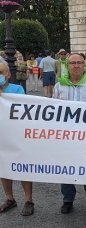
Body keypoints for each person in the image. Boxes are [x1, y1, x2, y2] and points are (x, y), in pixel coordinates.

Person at [53, 53, 86, 214]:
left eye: (79, 63)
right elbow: (53, 111)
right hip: (65, 137)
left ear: (84, 65)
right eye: (72, 63)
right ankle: (67, 200)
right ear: (67, 66)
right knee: (66, 168)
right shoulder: (59, 86)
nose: (76, 66)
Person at [0, 63, 34, 216]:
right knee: (3, 167)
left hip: (16, 134)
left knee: (22, 166)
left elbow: (23, 109)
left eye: (0, 72)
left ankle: (28, 200)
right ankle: (9, 199)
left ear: (7, 74)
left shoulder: (16, 89)